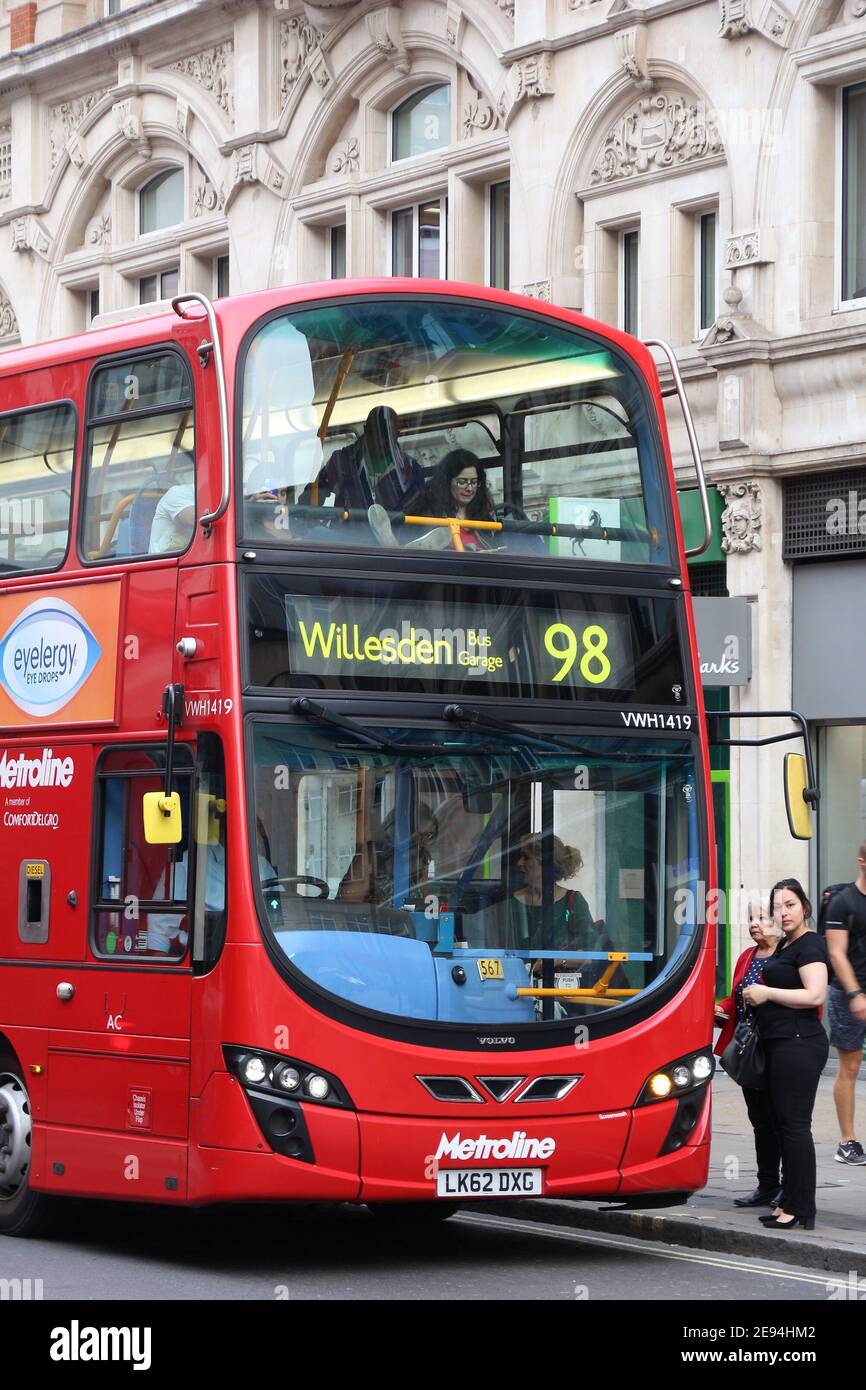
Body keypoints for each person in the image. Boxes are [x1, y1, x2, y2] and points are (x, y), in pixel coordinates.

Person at [743, 879, 829, 1231]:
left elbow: (815, 995)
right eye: (778, 907)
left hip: (800, 1044)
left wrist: (766, 994)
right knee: (782, 1125)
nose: (784, 912)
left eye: (790, 904)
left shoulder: (809, 946)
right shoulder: (786, 946)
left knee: (794, 1128)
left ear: (805, 907)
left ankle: (800, 1207)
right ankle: (789, 1202)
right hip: (779, 1044)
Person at [714, 905, 784, 1208]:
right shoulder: (746, 956)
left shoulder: (788, 955)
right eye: (751, 919)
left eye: (762, 919)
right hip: (748, 1049)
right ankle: (767, 1185)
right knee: (759, 1121)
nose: (754, 925)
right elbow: (736, 995)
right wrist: (723, 1009)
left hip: (778, 1048)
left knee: (782, 1120)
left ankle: (788, 1185)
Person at [301, 406, 424, 540]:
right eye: (376, 433)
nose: (382, 441)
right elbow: (311, 497)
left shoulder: (410, 470)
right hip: (347, 544)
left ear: (397, 434)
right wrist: (308, 525)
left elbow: (418, 515)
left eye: (388, 435)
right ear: (366, 430)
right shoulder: (342, 461)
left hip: (391, 547)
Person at [509, 833, 610, 986]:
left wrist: (555, 960)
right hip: (514, 987)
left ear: (545, 863)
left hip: (560, 994)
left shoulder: (573, 901)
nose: (519, 863)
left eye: (526, 857)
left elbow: (592, 955)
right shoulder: (512, 903)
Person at [824, 846, 866, 1166]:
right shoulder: (843, 902)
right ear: (862, 862)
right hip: (848, 993)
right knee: (850, 1067)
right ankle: (847, 1141)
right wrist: (855, 994)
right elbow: (837, 953)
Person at [413, 450, 497, 550]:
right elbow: (425, 555)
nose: (469, 488)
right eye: (462, 482)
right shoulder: (430, 515)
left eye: (474, 482)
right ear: (447, 481)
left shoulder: (484, 517)